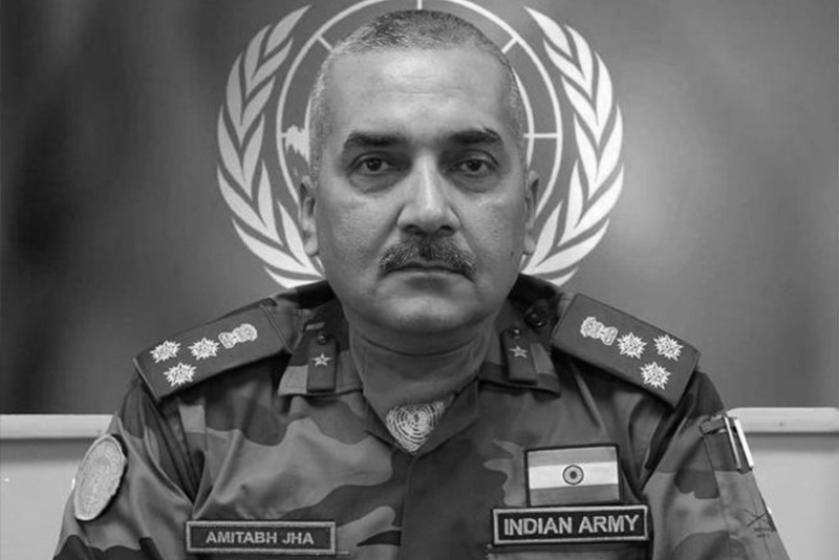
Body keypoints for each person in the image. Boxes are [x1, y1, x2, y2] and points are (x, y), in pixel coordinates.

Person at [55, 9, 789, 560]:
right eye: (376, 165)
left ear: (528, 210)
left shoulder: (647, 412)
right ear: (309, 211)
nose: (428, 211)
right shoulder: (188, 419)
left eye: (471, 165)